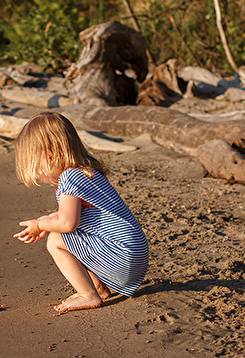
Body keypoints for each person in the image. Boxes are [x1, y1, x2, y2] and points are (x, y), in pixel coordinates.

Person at [13, 112, 148, 313]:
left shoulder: (70, 178)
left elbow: (67, 223)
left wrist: (40, 225)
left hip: (122, 256)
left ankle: (88, 294)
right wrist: (46, 220)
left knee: (56, 240)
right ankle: (98, 287)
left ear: (50, 156)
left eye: (37, 168)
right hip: (134, 254)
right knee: (66, 233)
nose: (39, 176)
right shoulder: (86, 173)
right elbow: (80, 216)